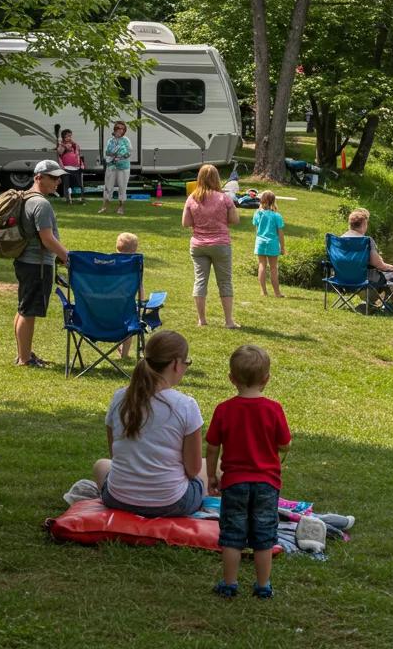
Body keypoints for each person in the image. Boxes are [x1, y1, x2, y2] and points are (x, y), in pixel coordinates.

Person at [206, 344, 292, 599]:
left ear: (231, 379)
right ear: (266, 379)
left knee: (232, 535)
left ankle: (229, 583)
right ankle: (263, 585)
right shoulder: (274, 409)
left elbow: (212, 447)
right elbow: (284, 443)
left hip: (234, 483)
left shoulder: (223, 409)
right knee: (264, 535)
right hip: (267, 484)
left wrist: (211, 476)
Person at [93, 329, 207, 517]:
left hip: (118, 499)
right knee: (211, 467)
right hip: (172, 503)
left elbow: (115, 455)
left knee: (101, 465)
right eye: (187, 362)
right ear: (176, 364)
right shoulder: (186, 405)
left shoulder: (120, 398)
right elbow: (193, 470)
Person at [7, 160, 70, 367]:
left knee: (23, 307)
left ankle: (22, 354)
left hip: (26, 261)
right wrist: (68, 258)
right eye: (53, 177)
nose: (57, 181)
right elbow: (47, 239)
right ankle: (25, 359)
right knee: (29, 311)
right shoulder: (41, 204)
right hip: (37, 264)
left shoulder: (27, 198)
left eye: (58, 177)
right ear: (38, 177)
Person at [183, 164, 241, 328]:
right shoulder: (224, 198)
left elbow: (185, 222)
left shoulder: (193, 197)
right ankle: (229, 321)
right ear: (216, 179)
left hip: (198, 245)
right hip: (220, 244)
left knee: (200, 281)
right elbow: (235, 220)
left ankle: (202, 320)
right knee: (225, 282)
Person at [342, 207, 393, 315]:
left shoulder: (340, 239)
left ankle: (382, 304)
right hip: (364, 280)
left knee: (390, 273)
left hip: (342, 279)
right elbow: (378, 264)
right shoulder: (366, 241)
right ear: (364, 224)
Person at [114, 232, 145, 359]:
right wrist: (142, 302)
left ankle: (117, 346)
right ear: (135, 250)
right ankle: (125, 354)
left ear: (117, 247)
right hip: (126, 307)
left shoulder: (108, 263)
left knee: (116, 320)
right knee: (130, 322)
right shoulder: (134, 265)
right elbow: (140, 287)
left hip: (104, 308)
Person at [252, 190, 285, 298]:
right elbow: (280, 234)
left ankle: (263, 292)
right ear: (273, 201)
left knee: (262, 265)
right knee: (273, 268)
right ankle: (277, 293)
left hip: (260, 242)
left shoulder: (257, 214)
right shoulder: (277, 216)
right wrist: (283, 247)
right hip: (272, 243)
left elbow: (257, 231)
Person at [99, 120, 131, 216]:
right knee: (108, 187)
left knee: (122, 187)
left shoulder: (126, 140)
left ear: (124, 130)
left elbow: (128, 153)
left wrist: (118, 155)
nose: (120, 130)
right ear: (115, 129)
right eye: (118, 128)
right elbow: (107, 153)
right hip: (111, 166)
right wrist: (115, 154)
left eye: (122, 128)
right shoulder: (110, 140)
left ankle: (121, 207)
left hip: (123, 167)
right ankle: (105, 206)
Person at [56, 128, 84, 204]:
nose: (69, 138)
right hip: (66, 167)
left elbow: (78, 151)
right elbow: (60, 152)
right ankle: (68, 198)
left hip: (75, 167)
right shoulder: (61, 145)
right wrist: (64, 146)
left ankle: (81, 198)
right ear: (64, 137)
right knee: (66, 183)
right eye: (68, 136)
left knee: (77, 183)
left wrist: (74, 144)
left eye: (70, 136)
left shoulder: (74, 144)